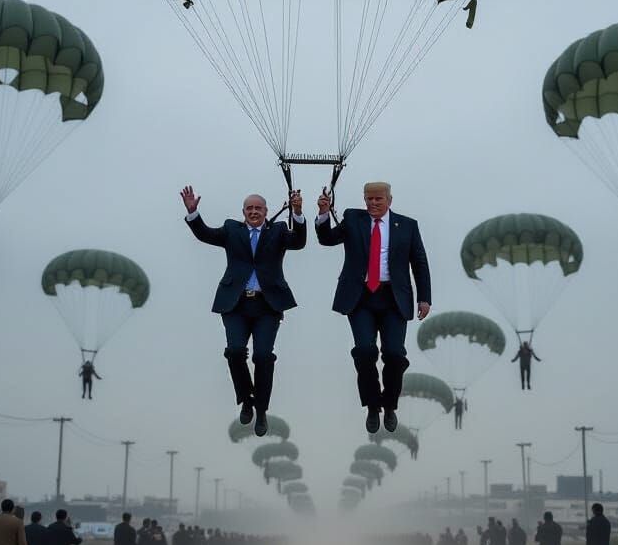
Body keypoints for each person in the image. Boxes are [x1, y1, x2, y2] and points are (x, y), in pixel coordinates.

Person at [181, 185, 306, 435]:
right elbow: (205, 234)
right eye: (249, 208)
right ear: (243, 212)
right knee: (235, 351)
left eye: (258, 208)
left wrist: (298, 212)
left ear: (266, 211)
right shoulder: (231, 230)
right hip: (235, 304)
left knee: (262, 356)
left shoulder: (278, 231)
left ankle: (260, 410)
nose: (254, 212)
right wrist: (193, 213)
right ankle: (246, 401)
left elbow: (299, 242)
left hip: (267, 306)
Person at [315, 181, 431, 433]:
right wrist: (324, 213)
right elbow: (327, 239)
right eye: (369, 199)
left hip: (393, 298)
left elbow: (419, 262)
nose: (373, 203)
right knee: (365, 351)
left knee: (394, 354)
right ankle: (371, 406)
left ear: (389, 199)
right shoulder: (353, 219)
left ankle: (389, 405)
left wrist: (424, 297)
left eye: (378, 199)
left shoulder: (408, 226)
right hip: (361, 297)